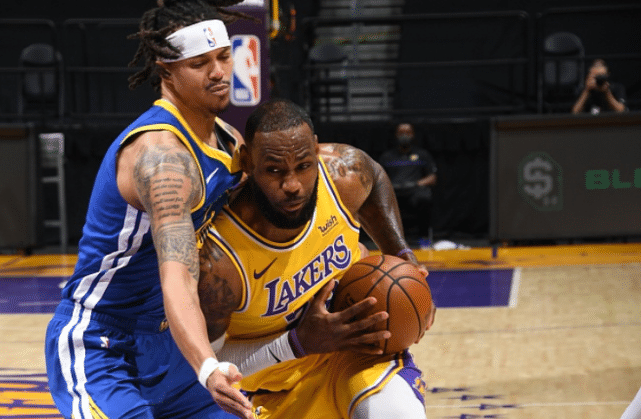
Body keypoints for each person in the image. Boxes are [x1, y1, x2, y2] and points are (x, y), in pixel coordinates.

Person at [44, 1, 256, 418]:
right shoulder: (161, 158)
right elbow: (177, 275)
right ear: (166, 71)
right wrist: (207, 366)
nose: (218, 72)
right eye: (200, 63)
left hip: (167, 343)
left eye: (223, 56)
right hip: (102, 341)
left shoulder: (229, 142)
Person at [197, 98, 436, 419]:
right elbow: (212, 368)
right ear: (247, 161)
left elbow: (375, 177)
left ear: (316, 149)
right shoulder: (219, 263)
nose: (292, 185)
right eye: (274, 170)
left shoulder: (341, 173)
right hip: (273, 392)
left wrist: (402, 256)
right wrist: (297, 342)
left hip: (357, 356)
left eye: (303, 166)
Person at [378, 122, 437, 244]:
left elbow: (432, 177)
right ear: (396, 135)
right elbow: (378, 177)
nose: (404, 135)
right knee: (378, 200)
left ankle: (424, 237)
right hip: (394, 192)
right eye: (401, 133)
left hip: (414, 190)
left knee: (424, 198)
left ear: (413, 134)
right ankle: (386, 240)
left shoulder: (422, 155)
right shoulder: (387, 157)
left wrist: (416, 184)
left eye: (407, 132)